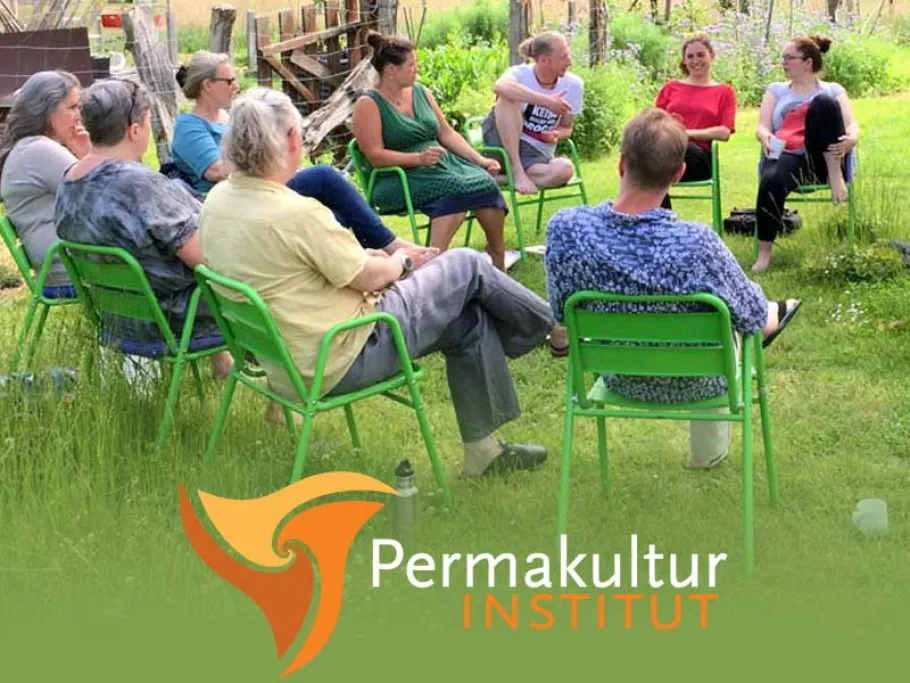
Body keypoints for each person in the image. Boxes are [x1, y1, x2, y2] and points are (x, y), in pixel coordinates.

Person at [200, 87, 554, 476]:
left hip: (286, 360)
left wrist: (367, 260)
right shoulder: (294, 212)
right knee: (467, 263)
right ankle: (550, 327)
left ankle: (483, 453)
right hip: (344, 353)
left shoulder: (218, 201)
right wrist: (400, 261)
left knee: (467, 319)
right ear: (291, 139)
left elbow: (299, 270)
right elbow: (369, 276)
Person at [545, 108, 801, 469]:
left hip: (618, 375)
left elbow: (559, 312)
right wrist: (765, 314)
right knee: (735, 320)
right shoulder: (696, 243)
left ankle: (773, 313)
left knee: (725, 317)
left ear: (621, 164)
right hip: (700, 381)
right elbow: (750, 317)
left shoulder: (566, 228)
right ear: (679, 173)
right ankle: (707, 456)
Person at [171, 50, 430, 260]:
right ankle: (390, 246)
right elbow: (217, 171)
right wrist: (268, 159)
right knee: (324, 176)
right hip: (237, 196)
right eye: (229, 81)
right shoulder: (189, 126)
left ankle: (360, 260)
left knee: (334, 215)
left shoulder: (228, 117)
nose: (236, 86)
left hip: (257, 187)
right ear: (207, 85)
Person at [54, 79, 232, 378]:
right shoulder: (141, 186)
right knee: (271, 282)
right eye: (148, 122)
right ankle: (284, 398)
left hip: (115, 316)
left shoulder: (69, 181)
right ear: (134, 129)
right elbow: (211, 260)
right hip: (170, 318)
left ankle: (223, 365)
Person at [352, 32, 510, 271]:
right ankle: (430, 267)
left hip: (439, 167)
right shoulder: (368, 104)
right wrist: (417, 159)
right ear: (391, 70)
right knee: (456, 189)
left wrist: (479, 159)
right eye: (411, 65)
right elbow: (375, 156)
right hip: (397, 176)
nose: (417, 70)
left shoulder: (421, 92)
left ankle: (497, 257)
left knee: (484, 181)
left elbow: (446, 134)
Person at [753, 34, 860, 272]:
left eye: (789, 58)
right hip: (789, 155)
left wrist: (852, 139)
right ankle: (764, 253)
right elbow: (762, 125)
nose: (783, 62)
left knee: (823, 104)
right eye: (783, 58)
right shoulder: (777, 90)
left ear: (807, 62)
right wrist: (765, 136)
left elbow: (852, 125)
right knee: (771, 180)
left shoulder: (833, 90)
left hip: (824, 157)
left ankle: (835, 174)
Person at [0, 71, 92, 293]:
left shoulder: (28, 148)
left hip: (62, 264)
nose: (78, 116)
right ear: (46, 110)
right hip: (72, 269)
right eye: (72, 107)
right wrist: (89, 154)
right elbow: (106, 195)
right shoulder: (39, 150)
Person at [482, 31, 583, 196]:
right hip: (501, 143)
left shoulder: (574, 85)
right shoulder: (520, 74)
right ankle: (516, 171)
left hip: (535, 154)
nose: (570, 61)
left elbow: (567, 127)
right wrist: (547, 101)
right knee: (508, 98)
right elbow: (500, 87)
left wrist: (556, 134)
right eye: (564, 57)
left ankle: (498, 178)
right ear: (544, 60)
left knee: (565, 169)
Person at [655, 33, 736, 209]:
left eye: (701, 55)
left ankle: (662, 225)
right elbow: (654, 123)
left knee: (658, 160)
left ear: (711, 56)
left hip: (699, 157)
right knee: (649, 168)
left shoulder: (725, 92)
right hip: (666, 153)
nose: (695, 60)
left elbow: (724, 132)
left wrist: (685, 134)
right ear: (684, 60)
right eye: (690, 56)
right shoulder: (670, 88)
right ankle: (662, 224)